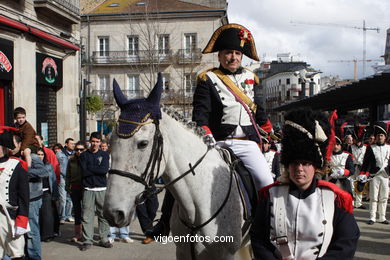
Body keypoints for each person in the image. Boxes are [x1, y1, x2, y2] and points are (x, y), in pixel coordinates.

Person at [150, 23, 274, 238]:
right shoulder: (208, 78)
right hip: (218, 142)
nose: (233, 57)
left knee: (267, 183)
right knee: (182, 175)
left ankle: (267, 228)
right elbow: (201, 114)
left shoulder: (252, 79)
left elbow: (260, 112)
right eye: (228, 53)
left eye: (237, 53)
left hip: (247, 143)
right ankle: (164, 223)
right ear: (220, 55)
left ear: (242, 56)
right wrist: (206, 136)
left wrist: (269, 131)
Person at [250, 108, 360, 260]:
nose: (299, 169)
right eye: (295, 163)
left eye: (306, 163)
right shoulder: (270, 196)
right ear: (288, 165)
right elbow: (258, 239)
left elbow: (346, 242)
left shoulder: (334, 199)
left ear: (316, 166)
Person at [0, 126, 29, 259]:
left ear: (4, 147)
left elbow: (24, 196)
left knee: (17, 253)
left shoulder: (17, 165)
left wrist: (22, 219)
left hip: (11, 216)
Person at [79, 132, 111, 251]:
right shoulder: (83, 155)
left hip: (101, 188)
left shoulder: (104, 154)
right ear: (89, 141)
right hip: (88, 189)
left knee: (103, 215)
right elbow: (84, 172)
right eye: (93, 141)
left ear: (100, 142)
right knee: (87, 216)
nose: (95, 144)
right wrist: (95, 169)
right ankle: (87, 240)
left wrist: (90, 169)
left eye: (97, 142)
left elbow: (103, 170)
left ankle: (104, 239)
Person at [359, 121, 390, 225]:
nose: (380, 137)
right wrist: (363, 174)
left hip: (385, 175)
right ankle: (372, 217)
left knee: (384, 197)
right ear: (376, 137)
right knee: (373, 197)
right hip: (374, 175)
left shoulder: (389, 147)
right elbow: (366, 163)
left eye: (382, 135)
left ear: (385, 137)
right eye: (378, 135)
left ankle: (382, 217)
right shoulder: (370, 148)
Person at [26, 153, 50, 260]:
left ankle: (34, 256)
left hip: (32, 199)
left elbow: (44, 172)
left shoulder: (33, 156)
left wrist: (24, 169)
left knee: (32, 231)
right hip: (17, 200)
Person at [36, 148, 59, 242]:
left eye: (42, 154)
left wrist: (55, 194)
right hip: (36, 193)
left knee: (47, 214)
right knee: (38, 215)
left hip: (47, 192)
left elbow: (53, 179)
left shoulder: (48, 165)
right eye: (38, 154)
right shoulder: (31, 166)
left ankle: (48, 235)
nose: (40, 156)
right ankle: (39, 234)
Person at [66, 141, 86, 242]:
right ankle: (77, 234)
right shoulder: (71, 160)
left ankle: (86, 234)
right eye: (77, 149)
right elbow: (68, 174)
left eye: (81, 149)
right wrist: (67, 187)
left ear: (85, 150)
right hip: (74, 188)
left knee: (86, 212)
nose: (79, 151)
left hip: (85, 188)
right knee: (77, 212)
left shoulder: (87, 159)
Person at [56, 138, 75, 224]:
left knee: (70, 199)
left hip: (72, 178)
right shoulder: (59, 154)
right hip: (62, 177)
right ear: (66, 144)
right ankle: (62, 216)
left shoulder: (75, 154)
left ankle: (69, 215)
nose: (73, 145)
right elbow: (56, 166)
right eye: (71, 143)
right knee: (62, 198)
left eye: (73, 144)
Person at [349, 131, 367, 209]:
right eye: (357, 140)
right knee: (352, 185)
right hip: (353, 167)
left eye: (360, 140)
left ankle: (358, 203)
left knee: (360, 185)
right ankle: (352, 203)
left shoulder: (366, 147)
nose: (358, 142)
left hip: (361, 168)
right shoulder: (350, 147)